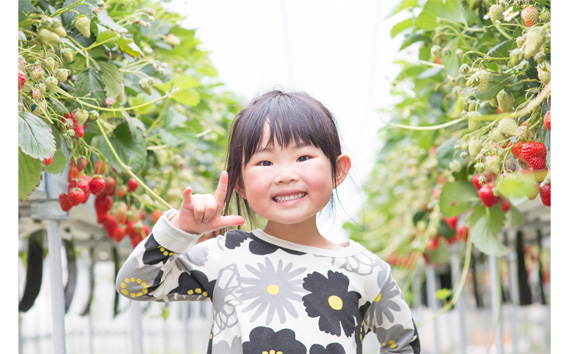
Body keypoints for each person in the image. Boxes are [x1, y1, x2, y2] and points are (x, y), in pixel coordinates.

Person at [116, 89, 420, 353]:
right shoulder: (225, 255)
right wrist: (180, 230)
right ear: (241, 185)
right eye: (265, 162)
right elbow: (136, 284)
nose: (285, 174)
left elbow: (404, 343)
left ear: (337, 171)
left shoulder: (367, 270)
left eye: (303, 157)